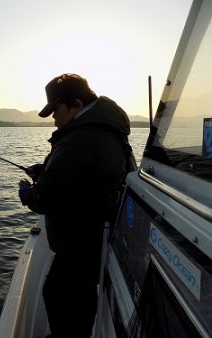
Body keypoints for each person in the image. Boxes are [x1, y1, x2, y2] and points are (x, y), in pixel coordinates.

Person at [18, 73, 134, 337]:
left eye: (56, 110)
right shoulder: (103, 129)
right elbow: (80, 176)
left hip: (80, 243)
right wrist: (46, 169)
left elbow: (45, 198)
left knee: (60, 295)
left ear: (77, 104)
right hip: (95, 237)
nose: (53, 118)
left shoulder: (81, 139)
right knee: (71, 297)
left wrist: (29, 194)